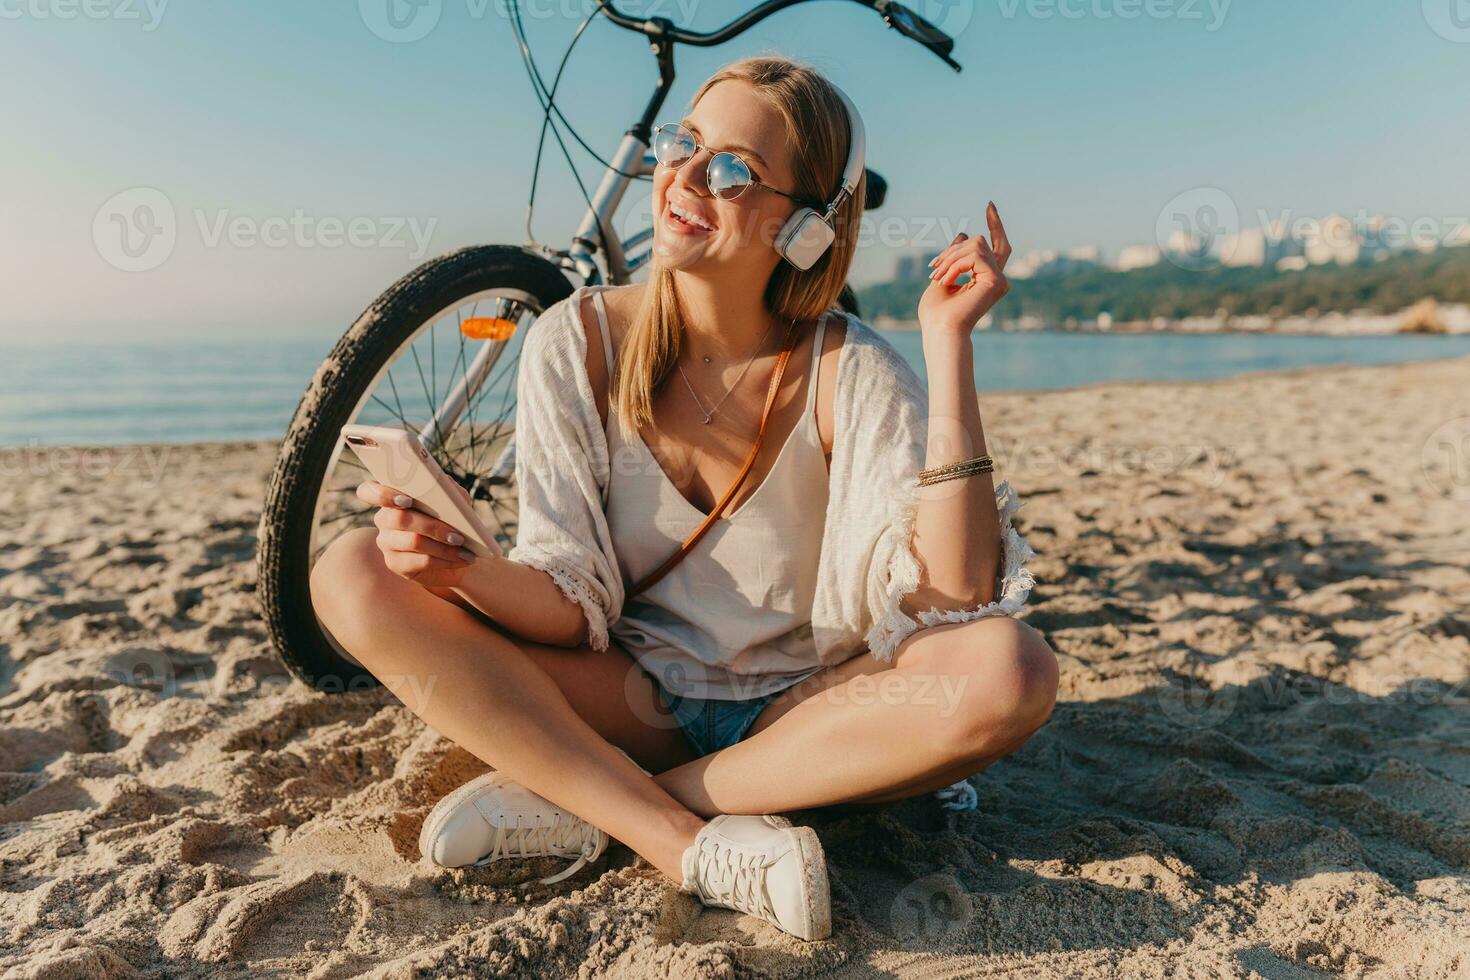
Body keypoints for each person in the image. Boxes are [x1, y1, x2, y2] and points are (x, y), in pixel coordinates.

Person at [310, 56, 1055, 942]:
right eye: (686, 144)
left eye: (735, 169)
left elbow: (958, 597)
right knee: (354, 570)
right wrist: (464, 571)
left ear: (807, 229)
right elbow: (565, 597)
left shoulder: (851, 369)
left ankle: (600, 802)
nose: (687, 176)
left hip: (807, 719)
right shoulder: (573, 341)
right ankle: (678, 839)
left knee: (1011, 668)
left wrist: (947, 348)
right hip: (632, 701)